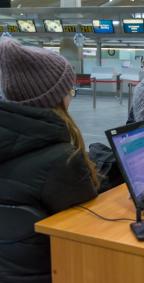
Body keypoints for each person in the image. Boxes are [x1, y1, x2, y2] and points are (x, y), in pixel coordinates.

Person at [0, 38, 98, 283]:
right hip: (54, 270)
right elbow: (89, 224)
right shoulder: (62, 159)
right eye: (68, 90)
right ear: (54, 98)